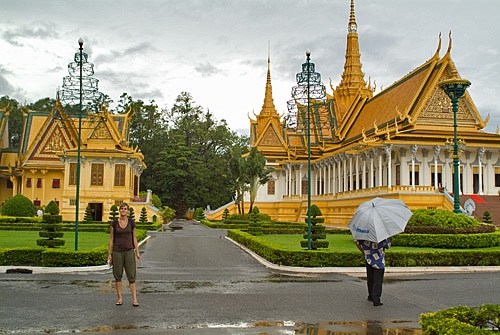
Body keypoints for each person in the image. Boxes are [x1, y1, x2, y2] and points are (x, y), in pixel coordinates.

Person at [108, 202, 142, 307]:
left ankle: (135, 299)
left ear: (128, 211)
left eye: (125, 209)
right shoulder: (114, 223)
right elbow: (111, 239)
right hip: (117, 251)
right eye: (122, 208)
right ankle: (119, 298)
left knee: (131, 275)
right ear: (119, 210)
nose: (123, 210)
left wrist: (137, 252)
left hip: (129, 251)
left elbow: (134, 238)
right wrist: (109, 253)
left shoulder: (131, 223)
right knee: (118, 275)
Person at [355, 238, 390, 306]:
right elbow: (388, 245)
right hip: (379, 261)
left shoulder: (365, 235)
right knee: (378, 280)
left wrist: (363, 251)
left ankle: (370, 295)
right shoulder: (381, 236)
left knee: (370, 278)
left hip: (369, 259)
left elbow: (357, 242)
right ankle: (376, 299)